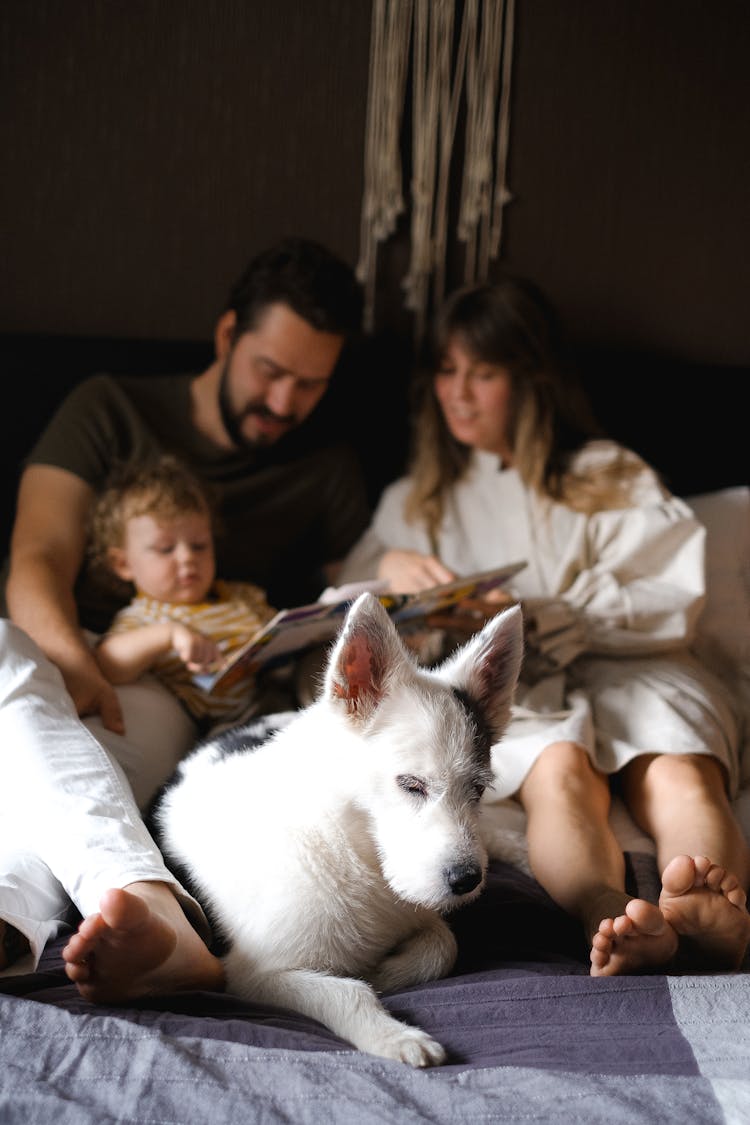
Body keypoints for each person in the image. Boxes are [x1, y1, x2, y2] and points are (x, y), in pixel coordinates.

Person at [338, 276, 750, 976]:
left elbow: (671, 595)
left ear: (531, 379)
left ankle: (712, 906)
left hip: (636, 663)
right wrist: (393, 571)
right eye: (446, 371)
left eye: (484, 372)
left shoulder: (606, 471)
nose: (458, 391)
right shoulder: (415, 501)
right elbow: (346, 621)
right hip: (520, 688)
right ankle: (608, 911)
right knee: (557, 770)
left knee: (677, 762)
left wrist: (548, 610)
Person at [0, 236, 370, 988]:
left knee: (64, 780)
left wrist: (393, 579)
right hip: (72, 648)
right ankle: (149, 906)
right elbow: (35, 557)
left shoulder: (328, 467)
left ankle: (12, 918)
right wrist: (76, 666)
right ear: (228, 335)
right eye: (270, 371)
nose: (283, 403)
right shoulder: (110, 407)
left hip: (172, 692)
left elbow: (354, 614)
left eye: (311, 384)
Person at [89, 454, 281, 730]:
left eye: (200, 545)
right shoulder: (146, 617)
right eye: (166, 549)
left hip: (273, 699)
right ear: (123, 563)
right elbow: (109, 664)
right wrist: (168, 634)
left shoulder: (240, 596)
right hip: (215, 726)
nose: (187, 558)